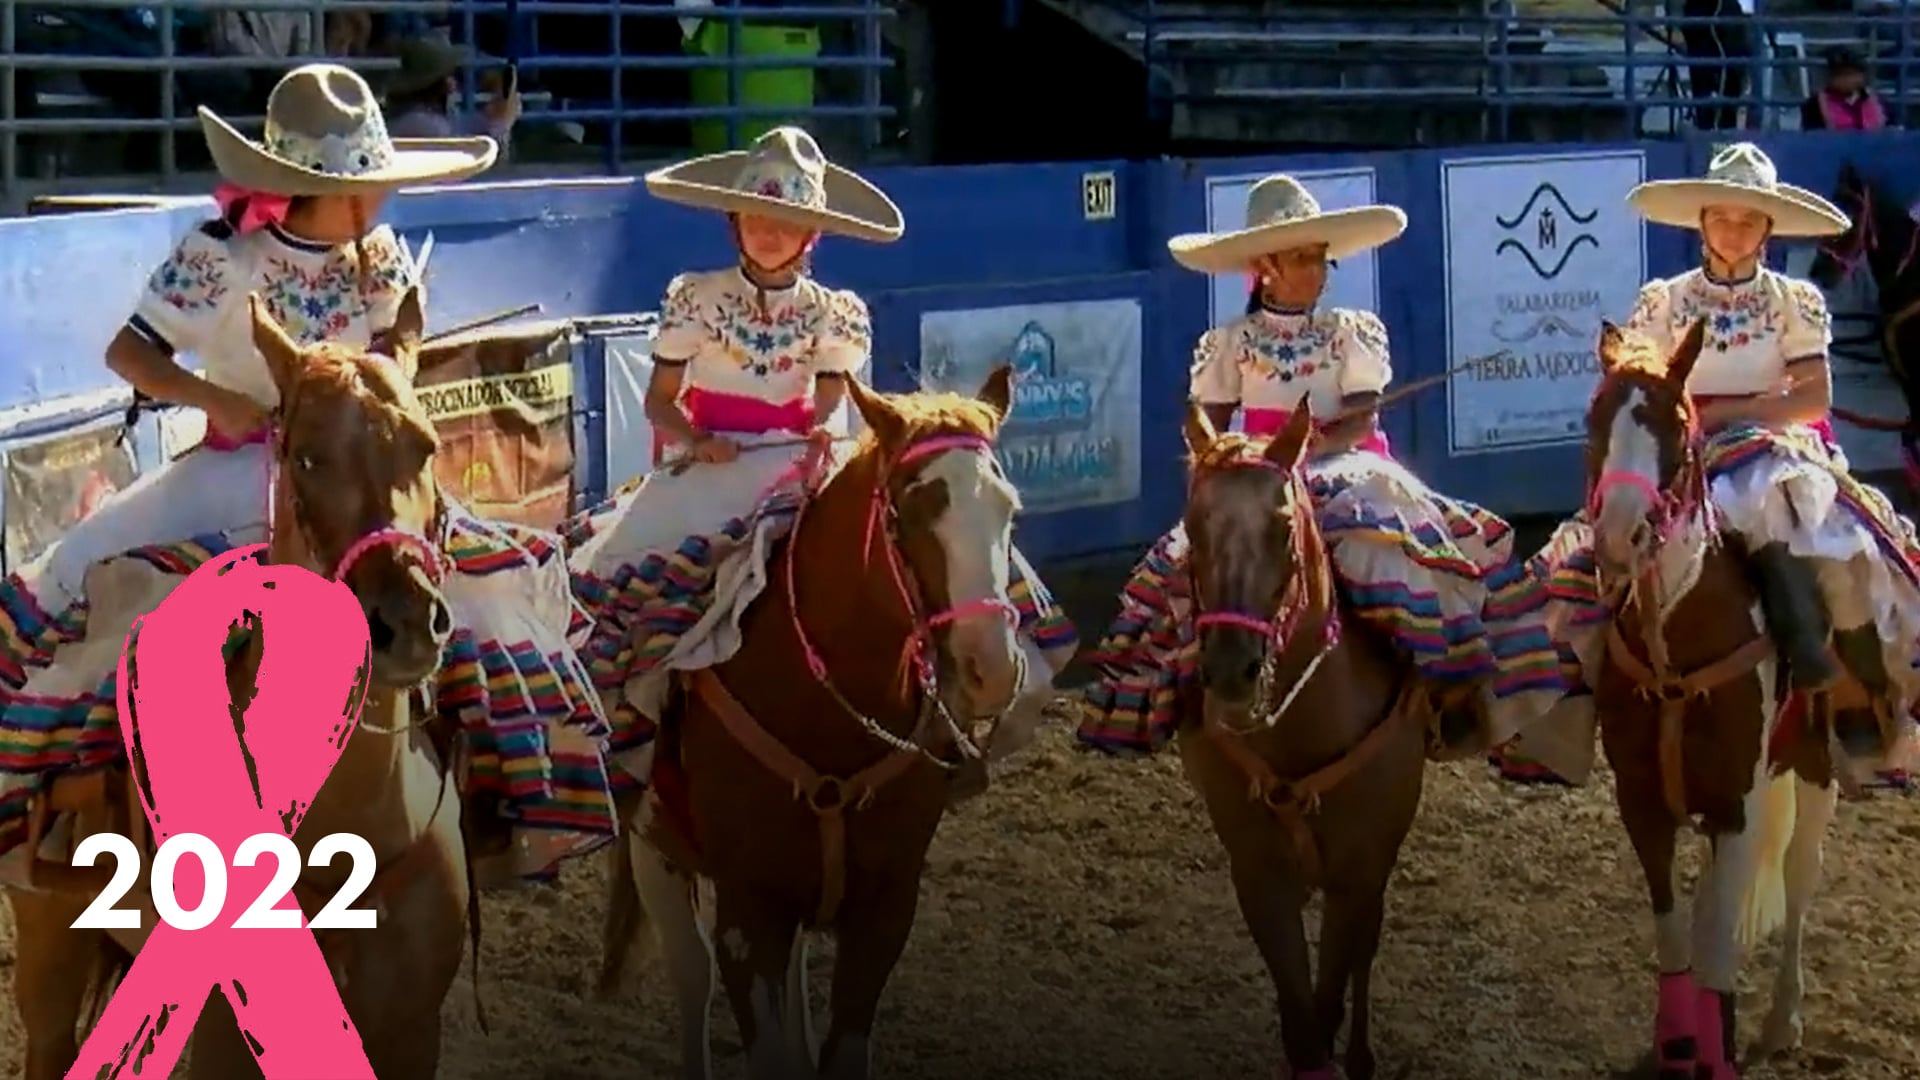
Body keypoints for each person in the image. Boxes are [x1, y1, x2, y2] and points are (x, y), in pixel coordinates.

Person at [0, 63, 614, 882]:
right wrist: (214, 398)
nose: (385, 198)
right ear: (344, 191)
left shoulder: (379, 255)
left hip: (359, 477)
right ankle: (71, 803)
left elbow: (395, 362)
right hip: (239, 466)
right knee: (80, 582)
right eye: (377, 183)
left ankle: (502, 796)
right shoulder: (220, 253)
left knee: (493, 592)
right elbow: (129, 352)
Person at [566, 126, 1078, 799]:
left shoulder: (838, 312)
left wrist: (818, 433)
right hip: (715, 465)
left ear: (812, 233)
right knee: (624, 584)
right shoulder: (696, 295)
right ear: (733, 220)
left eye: (788, 220)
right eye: (757, 216)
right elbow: (659, 400)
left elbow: (832, 398)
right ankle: (645, 738)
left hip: (804, 459)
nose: (770, 232)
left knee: (949, 541)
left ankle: (958, 706)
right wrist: (695, 438)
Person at [1075, 174, 1568, 759]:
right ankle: (1157, 700)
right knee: (1180, 564)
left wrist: (1306, 446)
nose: (1317, 269)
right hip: (1259, 476)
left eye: (1319, 257)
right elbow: (1207, 434)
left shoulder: (1350, 334)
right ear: (1265, 266)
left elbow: (1359, 421)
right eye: (1301, 257)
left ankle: (1447, 681)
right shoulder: (1229, 342)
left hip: (1345, 468)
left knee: (1391, 546)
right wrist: (1239, 467)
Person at [1507, 142, 1920, 787]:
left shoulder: (1795, 300)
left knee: (1834, 546)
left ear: (1769, 229)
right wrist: (1688, 423)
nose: (1734, 230)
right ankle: (1565, 720)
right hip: (1681, 452)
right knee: (1595, 554)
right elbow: (1642, 385)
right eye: (1722, 217)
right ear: (1701, 222)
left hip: (1774, 447)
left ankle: (1855, 708)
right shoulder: (1662, 300)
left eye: (1749, 219)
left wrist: (1725, 413)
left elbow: (1811, 397)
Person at [383, 35, 520, 151]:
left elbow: (466, 124)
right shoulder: (421, 124)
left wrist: (494, 114)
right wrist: (503, 124)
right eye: (448, 76)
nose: (453, 84)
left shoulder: (422, 115)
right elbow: (469, 163)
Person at [1681, 0, 1756, 131]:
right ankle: (1711, 131)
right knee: (1707, 91)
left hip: (1722, 33)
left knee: (1721, 97)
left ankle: (1716, 131)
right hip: (1709, 28)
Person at [1800, 46, 1888, 132]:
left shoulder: (1877, 101)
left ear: (1861, 76)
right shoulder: (1814, 105)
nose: (1846, 80)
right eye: (1840, 74)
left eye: (1851, 74)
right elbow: (1812, 138)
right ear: (1830, 77)